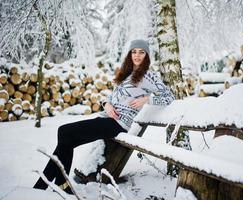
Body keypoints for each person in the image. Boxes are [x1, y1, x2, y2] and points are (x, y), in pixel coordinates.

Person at [33, 39, 175, 194]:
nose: (137, 55)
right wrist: (106, 105)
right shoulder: (126, 74)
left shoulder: (150, 77)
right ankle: (54, 187)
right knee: (67, 142)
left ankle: (49, 186)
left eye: (141, 52)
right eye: (134, 51)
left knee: (64, 131)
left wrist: (147, 99)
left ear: (147, 55)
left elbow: (170, 97)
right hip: (106, 118)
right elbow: (111, 98)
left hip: (118, 124)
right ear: (129, 54)